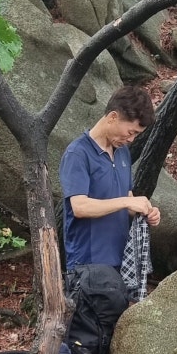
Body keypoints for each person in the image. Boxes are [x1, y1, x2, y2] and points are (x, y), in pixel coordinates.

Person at [59, 86, 161, 272]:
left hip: (121, 258)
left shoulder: (123, 152)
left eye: (137, 134)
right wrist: (125, 202)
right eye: (131, 132)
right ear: (113, 117)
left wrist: (146, 210)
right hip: (88, 263)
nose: (132, 139)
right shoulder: (78, 154)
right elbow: (80, 207)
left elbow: (126, 197)